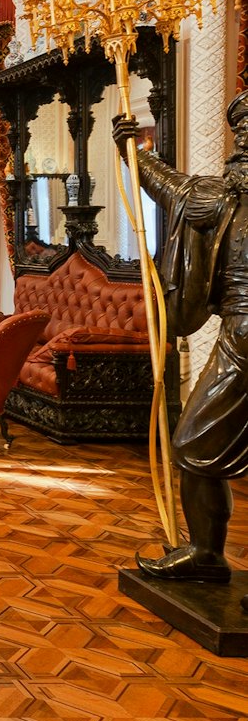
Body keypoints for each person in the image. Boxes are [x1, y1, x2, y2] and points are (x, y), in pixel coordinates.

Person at [113, 90, 248, 596]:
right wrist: (135, 151)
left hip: (243, 339)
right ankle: (207, 555)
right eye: (241, 133)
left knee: (195, 442)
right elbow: (175, 189)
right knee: (195, 444)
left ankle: (207, 554)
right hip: (239, 337)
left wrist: (136, 152)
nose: (241, 146)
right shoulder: (223, 198)